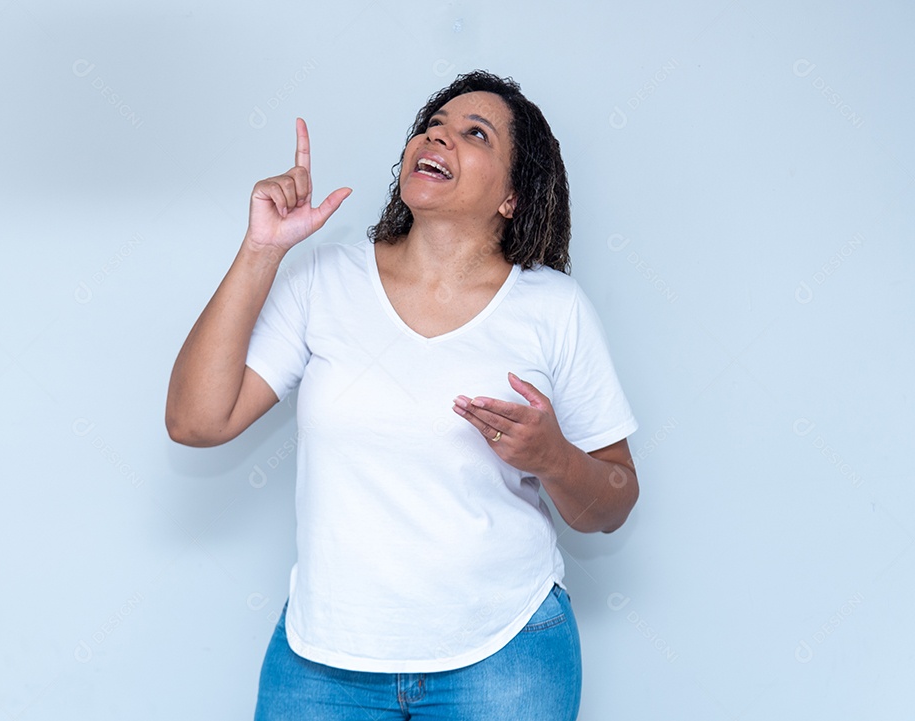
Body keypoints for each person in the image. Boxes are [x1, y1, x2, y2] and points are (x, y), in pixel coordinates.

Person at [166, 70, 639, 721]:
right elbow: (195, 421)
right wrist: (261, 249)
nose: (437, 135)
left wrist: (553, 456)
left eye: (474, 133)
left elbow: (612, 503)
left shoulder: (553, 309)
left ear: (513, 195)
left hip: (504, 659)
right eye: (433, 124)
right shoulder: (324, 280)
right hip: (322, 664)